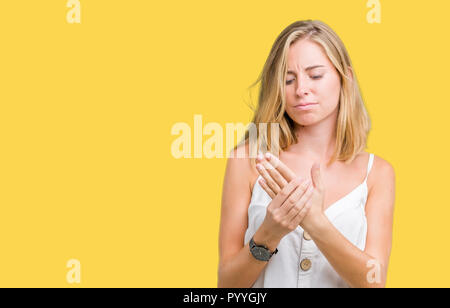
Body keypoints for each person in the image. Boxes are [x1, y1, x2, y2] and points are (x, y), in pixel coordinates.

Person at [217, 20, 395, 288]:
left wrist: (315, 223)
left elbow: (375, 282)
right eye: (288, 79)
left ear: (344, 76)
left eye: (315, 75)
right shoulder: (247, 161)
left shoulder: (378, 173)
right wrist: (268, 234)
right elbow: (227, 286)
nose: (301, 89)